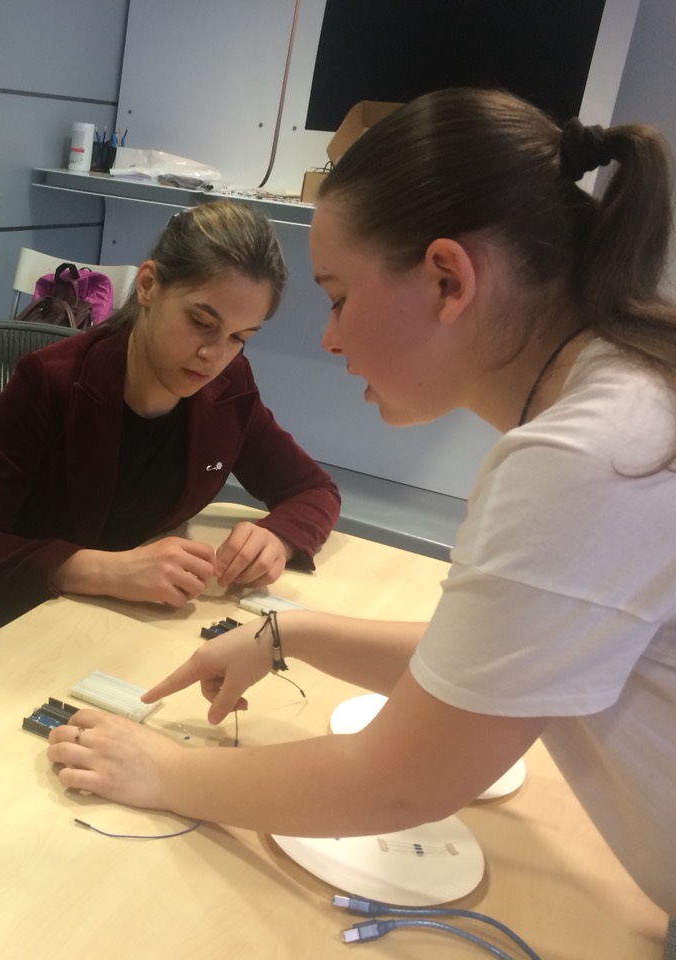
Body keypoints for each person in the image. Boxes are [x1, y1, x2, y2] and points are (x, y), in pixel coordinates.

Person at [45, 88, 676, 916]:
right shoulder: (630, 402)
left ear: (448, 279)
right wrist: (287, 633)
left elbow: (397, 783)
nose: (330, 337)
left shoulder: (588, 456)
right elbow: (486, 661)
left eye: (339, 297)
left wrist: (163, 771)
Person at [0, 201, 341, 639]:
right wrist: (105, 570)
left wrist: (278, 537)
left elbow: (313, 489)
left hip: (135, 624)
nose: (214, 355)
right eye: (201, 322)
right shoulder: (50, 382)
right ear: (148, 286)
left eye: (239, 337)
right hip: (29, 623)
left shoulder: (229, 386)